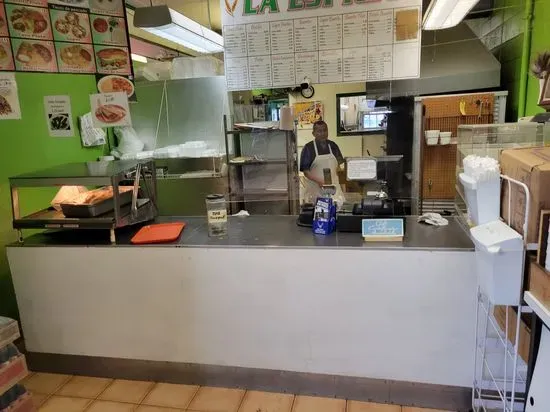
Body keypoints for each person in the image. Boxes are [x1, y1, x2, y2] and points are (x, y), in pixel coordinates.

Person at [300, 120, 346, 206]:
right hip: (315, 193)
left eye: (325, 130)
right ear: (313, 133)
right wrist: (319, 181)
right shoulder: (308, 148)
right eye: (319, 131)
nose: (323, 133)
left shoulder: (333, 146)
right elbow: (306, 172)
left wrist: (343, 188)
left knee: (335, 210)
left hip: (335, 193)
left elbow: (339, 168)